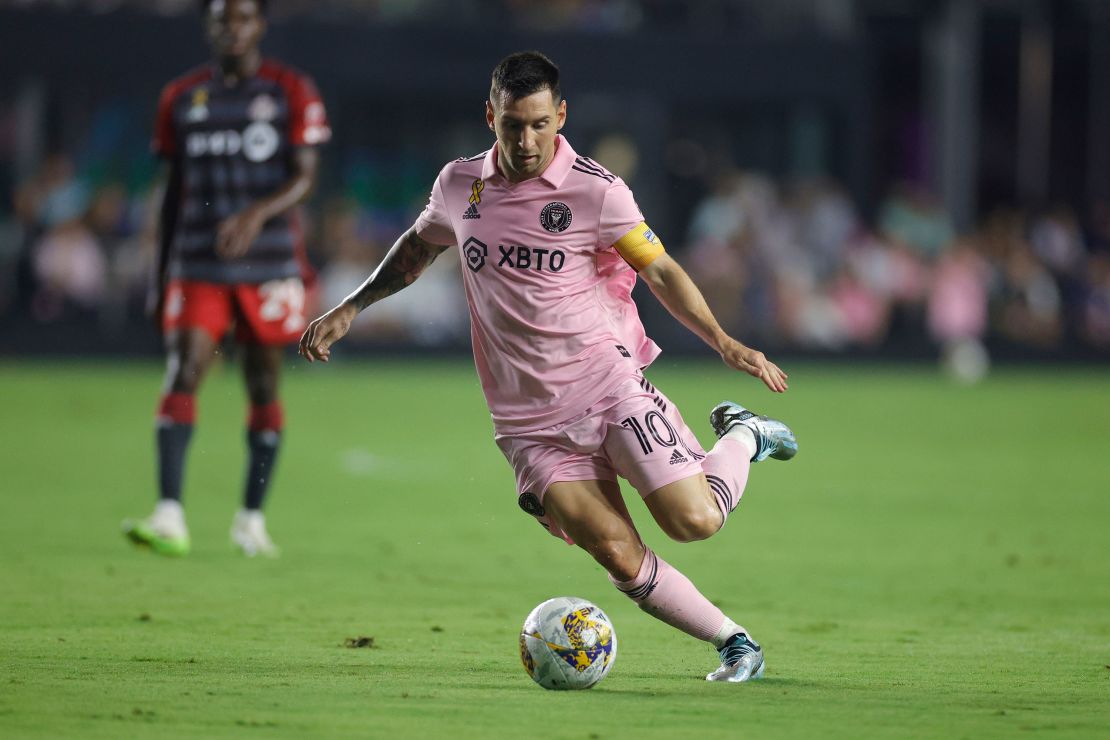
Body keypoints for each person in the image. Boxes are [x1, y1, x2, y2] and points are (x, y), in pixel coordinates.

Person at [300, 52, 795, 682]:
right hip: (527, 424)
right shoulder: (460, 185)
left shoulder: (596, 189)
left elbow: (661, 269)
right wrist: (351, 307)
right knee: (617, 553)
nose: (527, 141)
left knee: (694, 522)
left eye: (540, 124)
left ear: (560, 116)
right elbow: (417, 249)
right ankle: (735, 643)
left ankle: (744, 434)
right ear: (491, 117)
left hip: (608, 387)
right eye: (513, 125)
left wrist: (724, 342)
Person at [123, 0, 330, 557]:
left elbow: (306, 177)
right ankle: (169, 513)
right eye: (221, 19)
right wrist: (159, 273)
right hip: (198, 262)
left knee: (263, 386)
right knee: (183, 370)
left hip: (269, 264)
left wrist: (255, 214)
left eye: (242, 18)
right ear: (208, 27)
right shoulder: (181, 98)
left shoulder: (290, 89)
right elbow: (169, 194)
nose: (231, 28)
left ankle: (250, 520)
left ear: (260, 25)